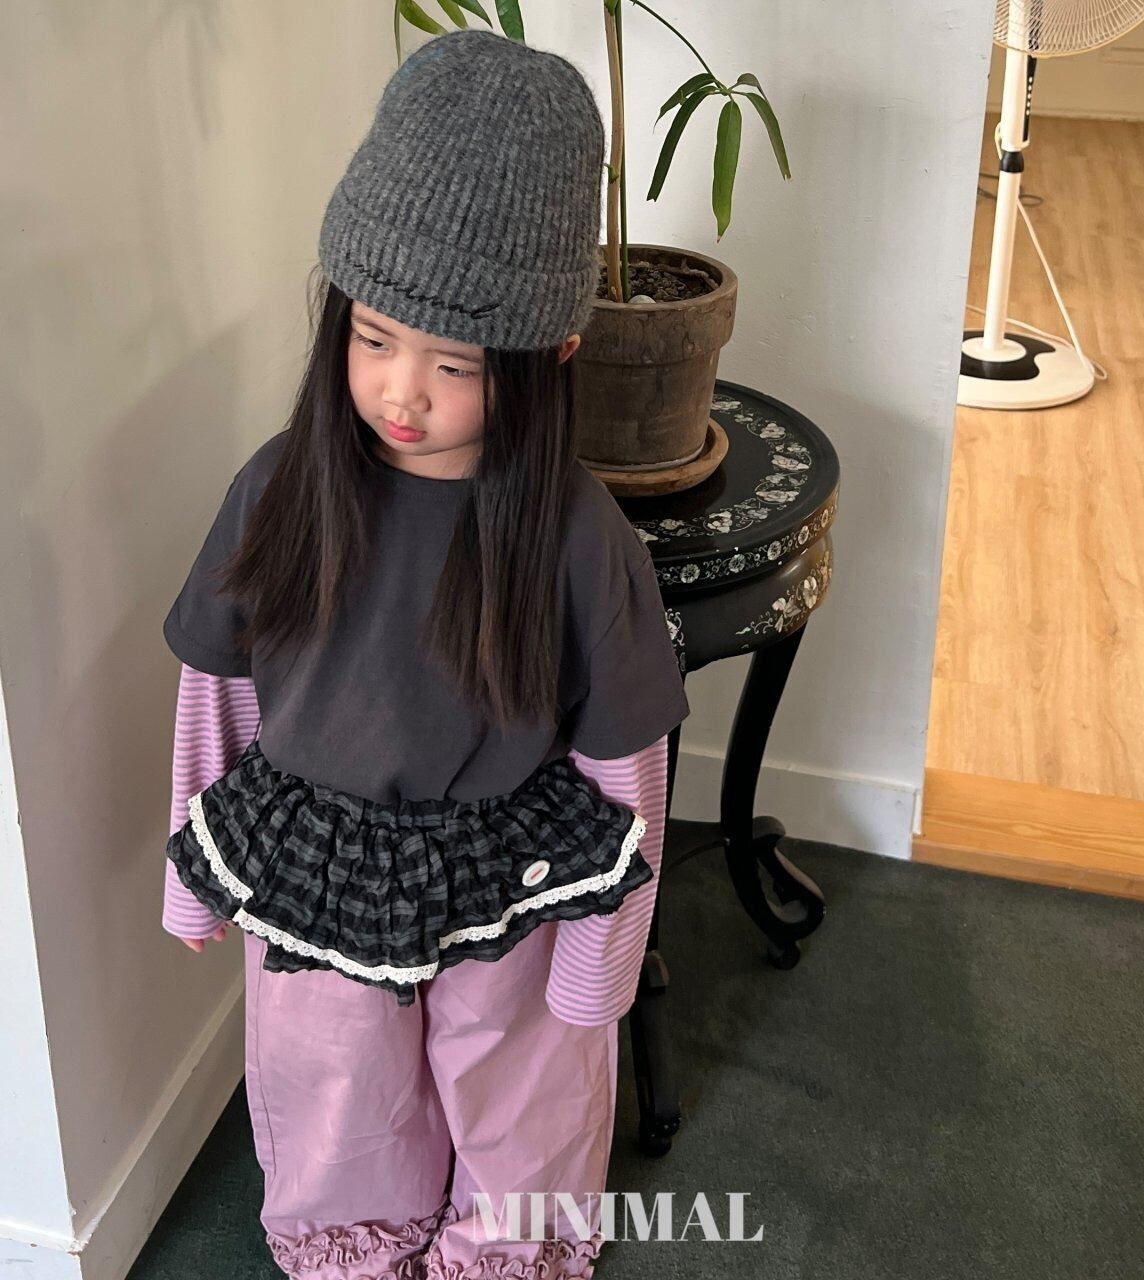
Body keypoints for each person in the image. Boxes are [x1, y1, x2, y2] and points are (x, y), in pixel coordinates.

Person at [159, 28, 690, 1280]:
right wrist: (193, 876)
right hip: (313, 868)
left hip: (510, 871)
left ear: (552, 355)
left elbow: (627, 769)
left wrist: (598, 971)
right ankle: (352, 1242)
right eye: (373, 338)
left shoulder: (577, 535)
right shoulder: (281, 487)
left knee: (519, 1085)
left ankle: (508, 1251)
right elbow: (216, 690)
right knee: (332, 1082)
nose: (403, 391)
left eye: (454, 364)